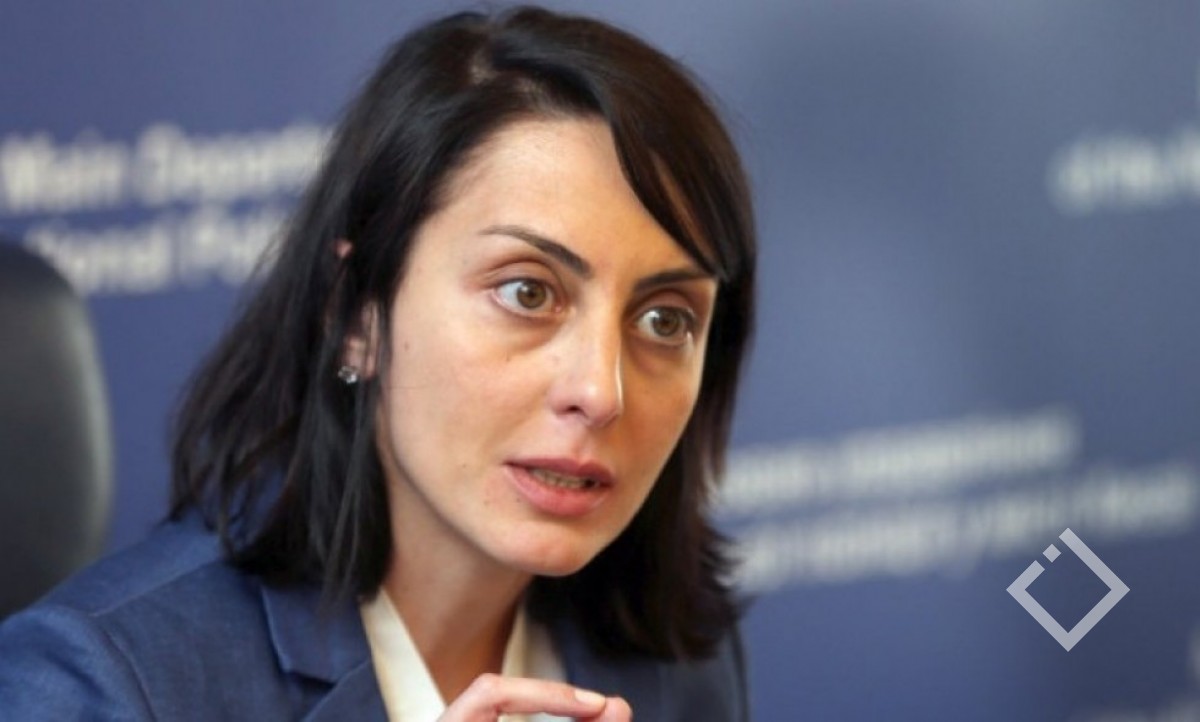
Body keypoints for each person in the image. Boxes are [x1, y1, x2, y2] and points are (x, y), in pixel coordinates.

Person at [0, 5, 756, 720]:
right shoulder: (101, 686)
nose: (599, 389)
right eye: (528, 292)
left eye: (665, 320)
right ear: (355, 313)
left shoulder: (675, 658)